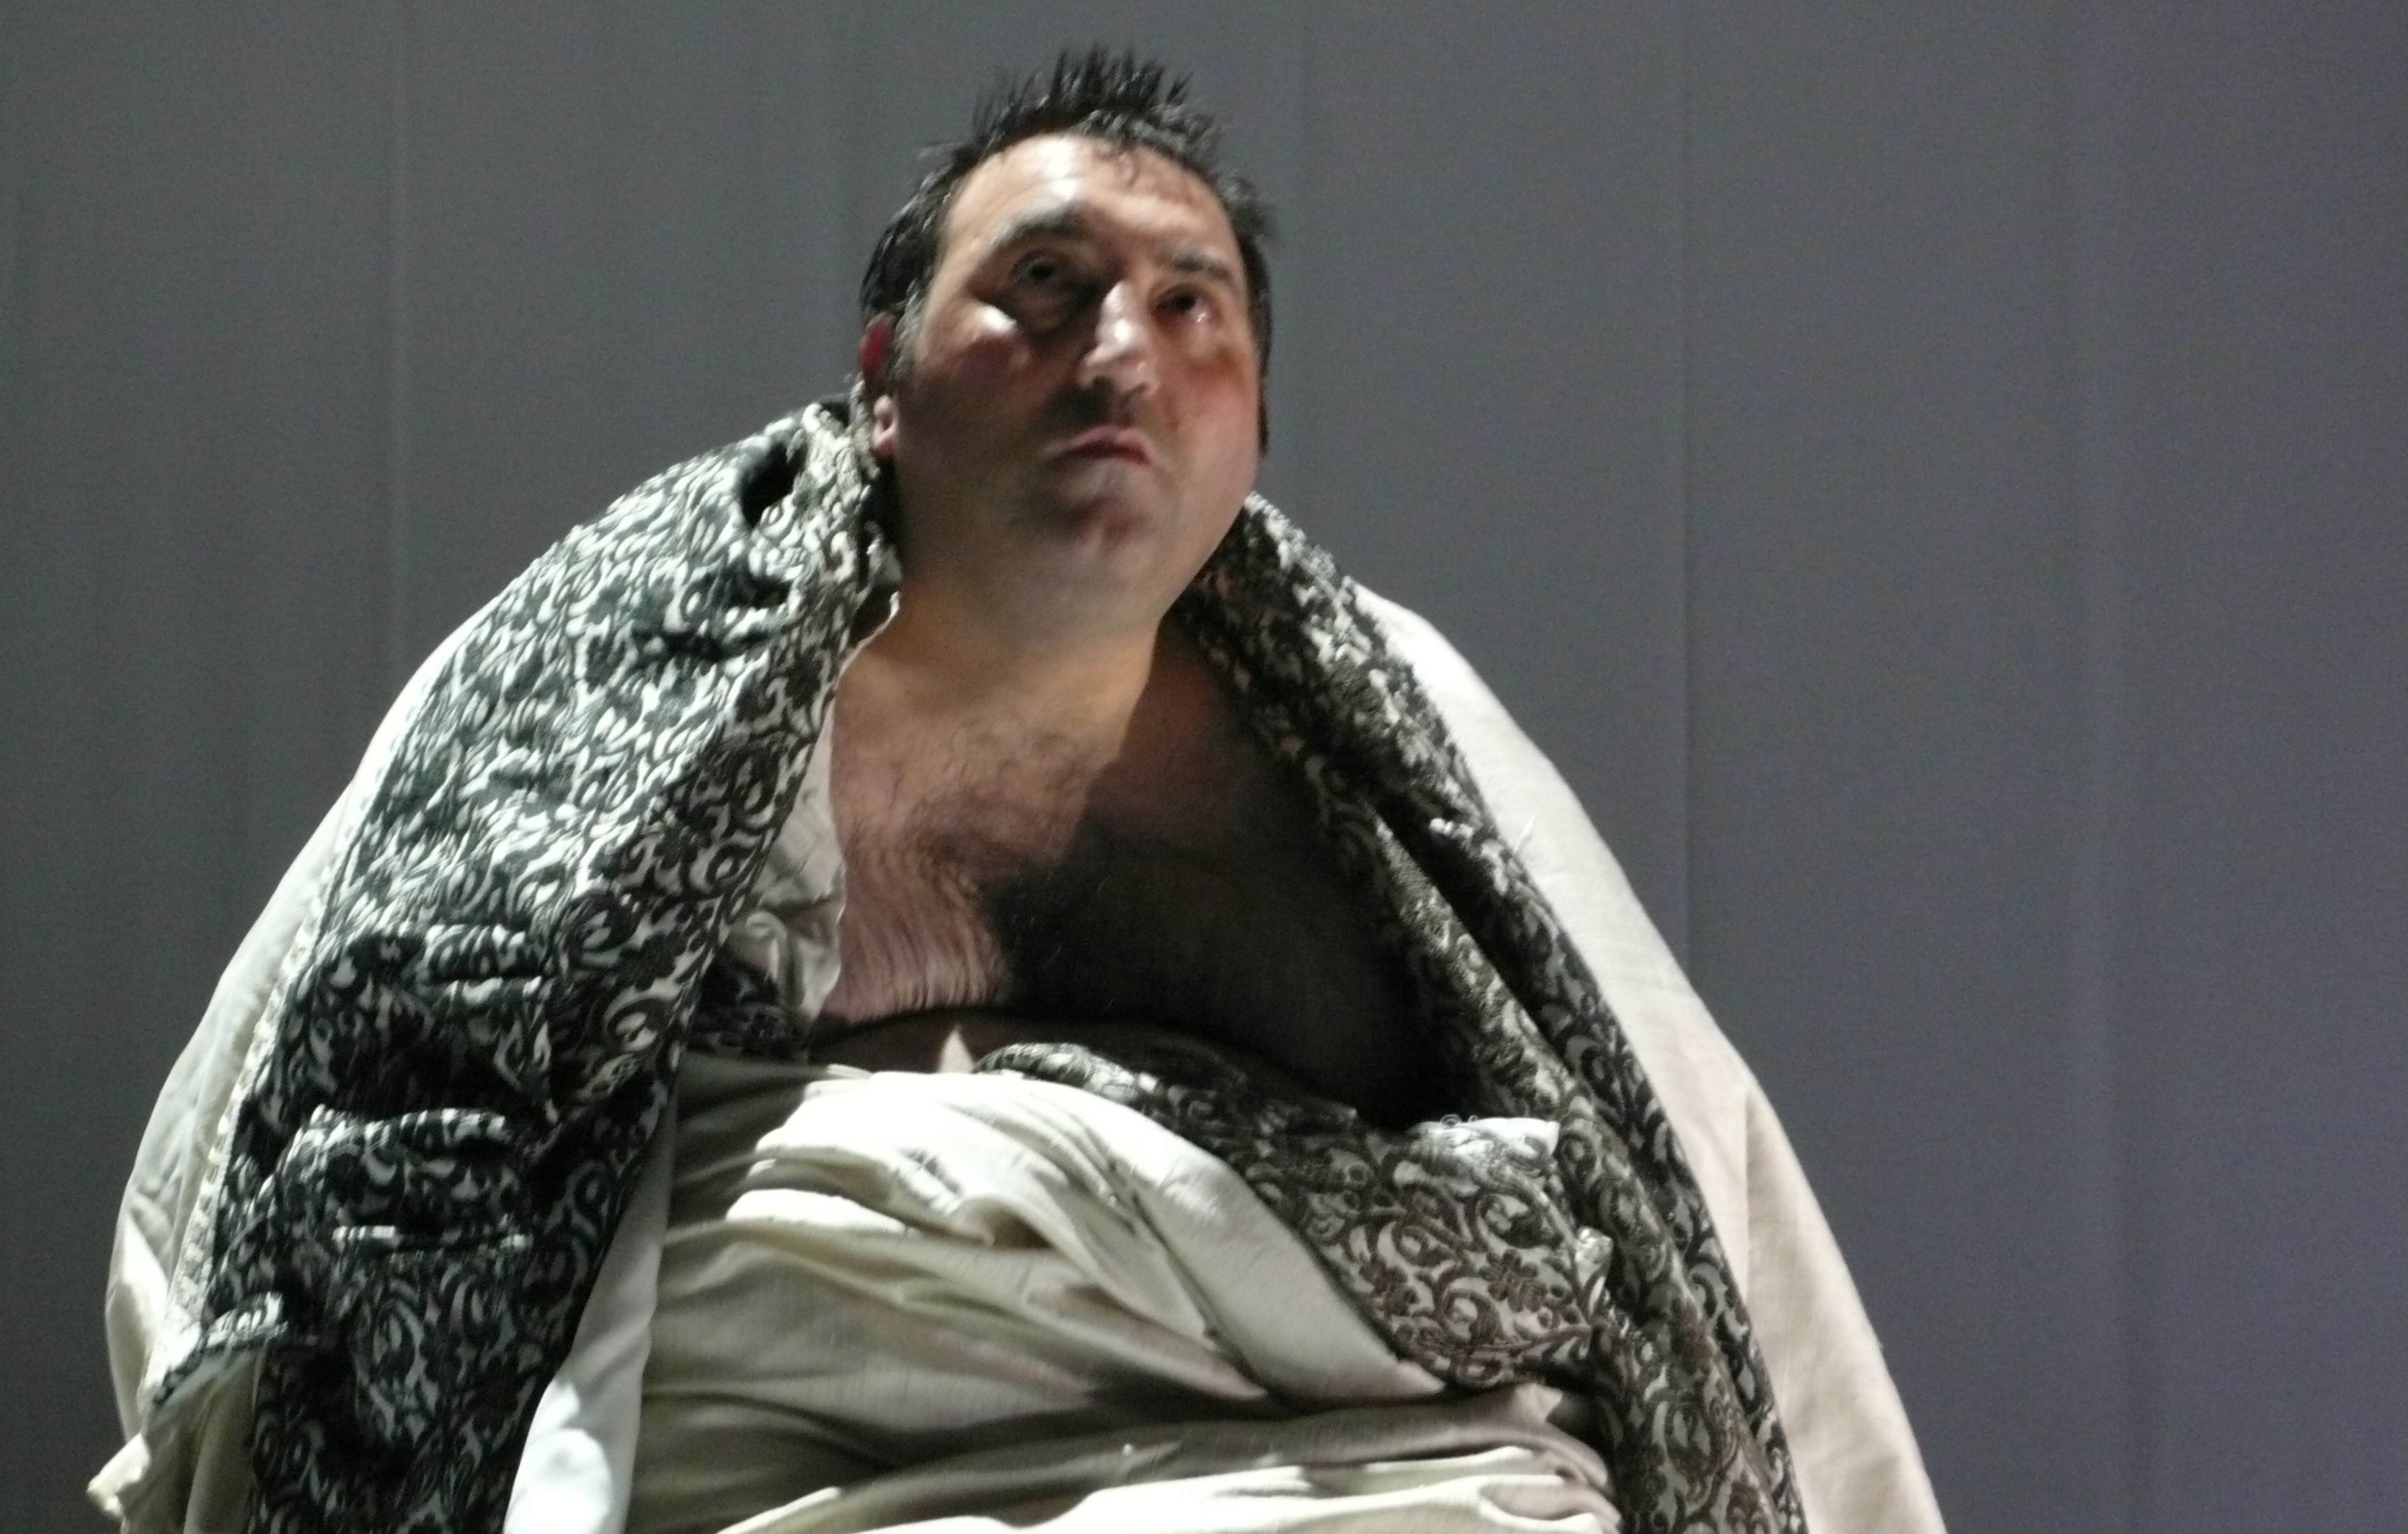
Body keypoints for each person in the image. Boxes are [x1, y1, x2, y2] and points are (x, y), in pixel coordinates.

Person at [93, 49, 1943, 1534]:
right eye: (1044, 287)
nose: (1120, 352)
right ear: (883, 380)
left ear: (1256, 428)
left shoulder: (1401, 748)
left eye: (1191, 307)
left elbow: (1689, 1212)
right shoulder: (607, 684)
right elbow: (313, 1139)